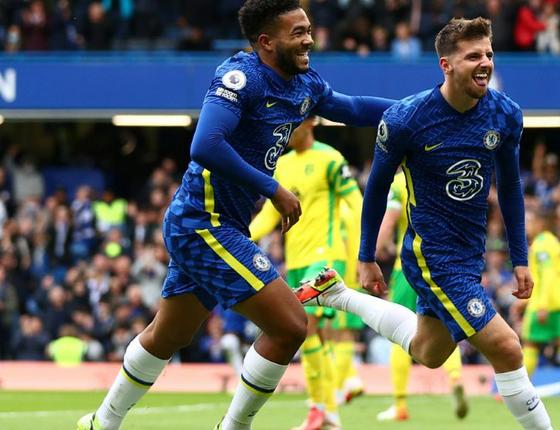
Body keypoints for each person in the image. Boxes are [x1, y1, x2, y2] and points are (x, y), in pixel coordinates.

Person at [77, 1, 393, 429]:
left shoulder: (304, 84)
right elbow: (205, 144)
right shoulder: (240, 77)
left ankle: (101, 422)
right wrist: (274, 189)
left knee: (169, 334)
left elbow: (353, 109)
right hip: (202, 222)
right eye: (297, 32)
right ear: (266, 42)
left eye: (308, 29)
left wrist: (423, 110)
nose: (309, 39)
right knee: (291, 325)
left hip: (223, 224)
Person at [296, 17, 553, 430]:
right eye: (473, 56)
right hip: (432, 255)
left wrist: (519, 256)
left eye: (488, 53)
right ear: (446, 65)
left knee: (429, 352)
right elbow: (377, 188)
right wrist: (366, 256)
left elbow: (510, 186)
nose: (485, 62)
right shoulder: (407, 120)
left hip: (470, 255)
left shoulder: (505, 115)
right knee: (507, 347)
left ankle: (336, 295)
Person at [249, 116, 364, 430]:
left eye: (292, 123)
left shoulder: (330, 159)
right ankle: (328, 411)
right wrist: (242, 236)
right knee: (312, 334)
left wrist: (359, 257)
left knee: (309, 326)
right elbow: (271, 212)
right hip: (296, 260)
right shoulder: (282, 165)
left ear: (311, 121)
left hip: (326, 259)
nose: (286, 130)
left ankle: (320, 408)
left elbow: (356, 204)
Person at [374, 170, 468, 422]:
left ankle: (400, 404)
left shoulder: (400, 181)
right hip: (443, 267)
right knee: (447, 329)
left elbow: (390, 220)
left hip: (409, 269)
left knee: (399, 334)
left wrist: (373, 252)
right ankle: (456, 378)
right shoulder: (441, 173)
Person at [511, 210, 560, 404]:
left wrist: (542, 304)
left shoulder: (542, 244)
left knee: (530, 344)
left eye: (530, 222)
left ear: (540, 224)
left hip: (545, 304)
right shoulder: (554, 243)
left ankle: (520, 391)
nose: (526, 227)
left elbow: (546, 276)